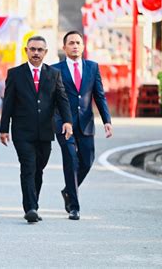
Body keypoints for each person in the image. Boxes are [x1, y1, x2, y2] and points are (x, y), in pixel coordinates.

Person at [0, 35, 73, 223]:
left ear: (45, 53)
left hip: (45, 131)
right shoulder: (15, 74)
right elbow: (8, 103)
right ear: (26, 51)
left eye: (40, 50)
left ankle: (34, 203)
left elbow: (62, 99)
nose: (36, 53)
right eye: (32, 49)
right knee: (28, 167)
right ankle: (30, 207)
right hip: (22, 131)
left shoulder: (53, 74)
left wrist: (67, 121)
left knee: (39, 168)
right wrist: (3, 128)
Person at [53, 31, 112, 221]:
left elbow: (99, 95)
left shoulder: (92, 68)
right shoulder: (55, 70)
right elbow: (51, 100)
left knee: (86, 161)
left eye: (78, 42)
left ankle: (68, 190)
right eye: (71, 43)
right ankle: (74, 207)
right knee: (71, 160)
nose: (75, 46)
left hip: (86, 123)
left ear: (83, 46)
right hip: (64, 124)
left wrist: (107, 121)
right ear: (64, 47)